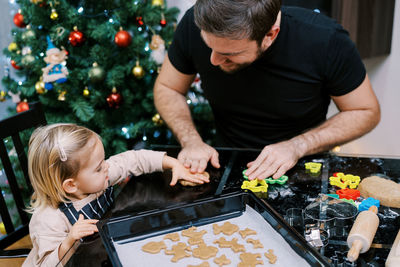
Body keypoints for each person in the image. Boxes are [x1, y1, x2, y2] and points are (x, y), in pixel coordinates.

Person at [153, 0, 380, 181]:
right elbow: (168, 87)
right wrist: (191, 141)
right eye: (208, 46)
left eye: (229, 54)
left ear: (270, 35)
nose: (213, 60)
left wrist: (297, 145)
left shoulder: (326, 40)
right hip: (226, 162)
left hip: (304, 166)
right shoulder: (194, 24)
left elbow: (365, 110)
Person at [23, 123, 209, 266]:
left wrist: (172, 164)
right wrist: (69, 241)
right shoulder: (49, 219)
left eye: (103, 161)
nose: (107, 167)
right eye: (98, 167)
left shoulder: (100, 176)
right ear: (71, 185)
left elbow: (133, 159)